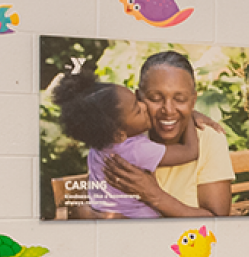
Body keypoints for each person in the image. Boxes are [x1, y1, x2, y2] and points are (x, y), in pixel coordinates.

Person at [52, 66, 199, 218]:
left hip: (101, 211)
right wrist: (188, 116)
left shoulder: (98, 147)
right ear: (119, 135)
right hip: (136, 217)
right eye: (137, 111)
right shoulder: (136, 150)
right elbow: (190, 152)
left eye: (137, 101)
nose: (144, 106)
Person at [100, 52, 234, 217]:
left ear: (193, 101)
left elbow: (217, 221)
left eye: (180, 99)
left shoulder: (209, 138)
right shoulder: (123, 138)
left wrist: (153, 195)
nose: (168, 110)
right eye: (155, 98)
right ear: (138, 99)